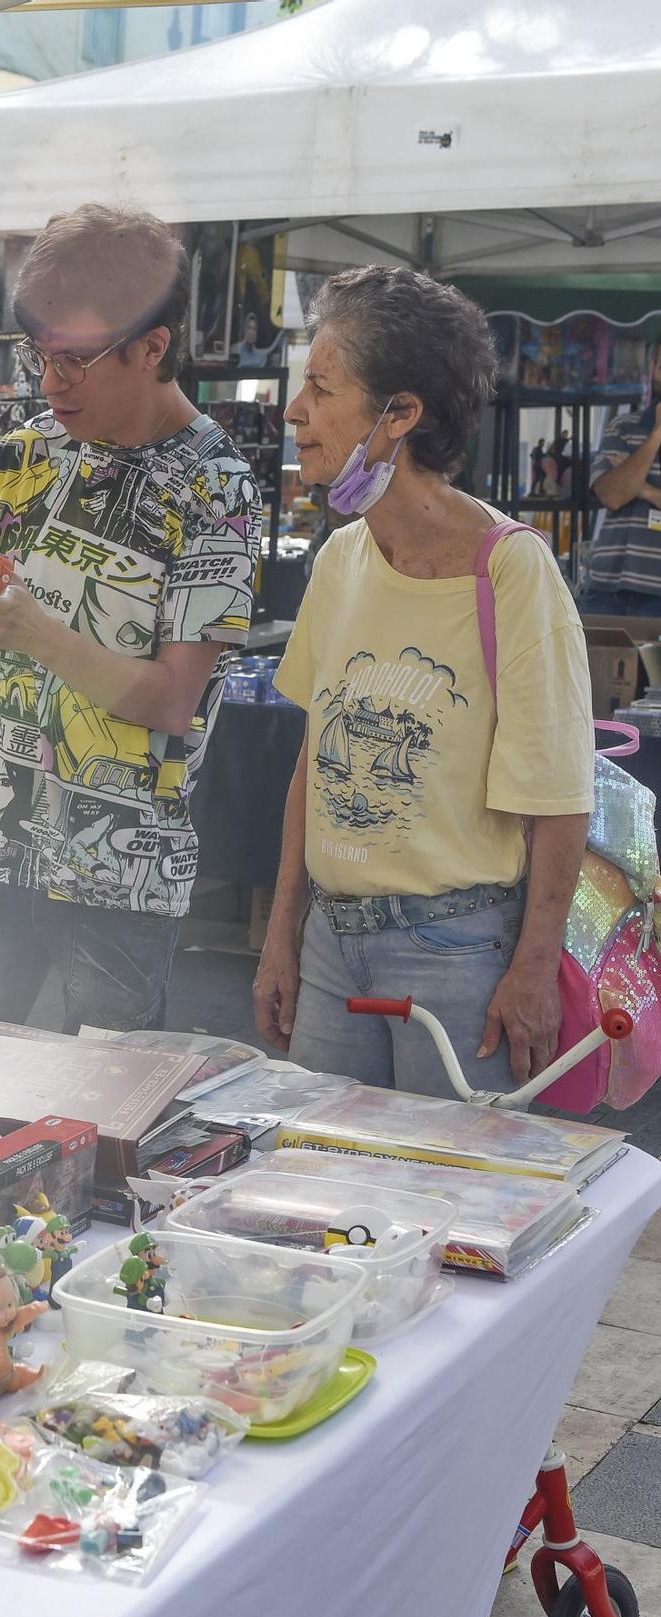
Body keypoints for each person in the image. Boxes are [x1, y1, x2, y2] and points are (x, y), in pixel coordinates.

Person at [0, 203, 261, 1034]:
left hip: (121, 870)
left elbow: (171, 699)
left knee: (102, 1115)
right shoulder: (26, 455)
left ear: (152, 346)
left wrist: (29, 631)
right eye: (37, 355)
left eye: (76, 359)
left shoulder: (216, 485)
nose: (50, 383)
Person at [252, 264, 595, 1097]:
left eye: (322, 388)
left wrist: (531, 971)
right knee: (324, 1185)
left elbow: (559, 795)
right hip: (331, 942)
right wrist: (280, 932)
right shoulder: (341, 558)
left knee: (444, 1204)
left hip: (457, 951)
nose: (295, 411)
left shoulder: (509, 570)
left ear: (400, 413)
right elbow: (313, 764)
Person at [579, 342, 661, 618]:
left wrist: (643, 488)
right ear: (651, 369)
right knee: (592, 661)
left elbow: (623, 488)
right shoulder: (623, 427)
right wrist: (657, 434)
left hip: (657, 596)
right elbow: (611, 495)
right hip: (605, 588)